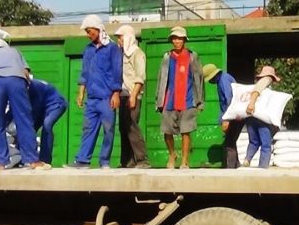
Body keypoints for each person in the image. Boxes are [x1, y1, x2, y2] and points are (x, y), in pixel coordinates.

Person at [0, 42, 49, 171]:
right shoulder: (14, 51)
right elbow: (26, 73)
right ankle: (33, 161)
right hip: (17, 81)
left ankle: (1, 163)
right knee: (24, 121)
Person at [68, 14, 122, 169]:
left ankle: (104, 161)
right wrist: (81, 92)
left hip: (107, 97)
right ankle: (83, 160)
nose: (88, 35)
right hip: (92, 98)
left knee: (108, 129)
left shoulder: (112, 48)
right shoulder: (88, 50)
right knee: (88, 129)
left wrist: (116, 93)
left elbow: (117, 71)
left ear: (98, 29)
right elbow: (85, 72)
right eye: (86, 32)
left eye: (89, 31)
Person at [155, 26, 204, 169]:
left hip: (188, 99)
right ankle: (172, 154)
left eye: (180, 38)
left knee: (186, 131)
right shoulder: (167, 57)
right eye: (174, 38)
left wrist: (199, 101)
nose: (177, 41)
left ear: (184, 40)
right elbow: (161, 79)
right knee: (166, 131)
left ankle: (184, 161)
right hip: (169, 100)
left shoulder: (192, 56)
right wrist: (159, 99)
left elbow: (199, 79)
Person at [114, 24, 150, 168]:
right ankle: (127, 161)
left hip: (132, 95)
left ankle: (142, 160)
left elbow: (140, 77)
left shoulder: (137, 53)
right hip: (123, 95)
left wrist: (133, 96)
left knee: (132, 127)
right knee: (123, 128)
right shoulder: (122, 54)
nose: (119, 41)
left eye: (121, 38)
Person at [202, 63, 243, 168]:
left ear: (213, 76)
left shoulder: (223, 81)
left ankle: (230, 168)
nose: (210, 82)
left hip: (233, 116)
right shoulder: (225, 77)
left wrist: (226, 119)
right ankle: (236, 165)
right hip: (235, 115)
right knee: (231, 141)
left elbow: (229, 100)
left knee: (229, 143)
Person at [20, 77, 68, 165]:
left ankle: (45, 160)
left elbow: (35, 109)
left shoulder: (35, 86)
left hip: (56, 104)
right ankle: (22, 157)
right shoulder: (20, 89)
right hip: (43, 107)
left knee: (47, 124)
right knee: (28, 128)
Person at [243, 65, 280, 169]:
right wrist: (252, 104)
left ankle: (247, 159)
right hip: (261, 118)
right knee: (266, 145)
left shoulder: (254, 84)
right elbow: (257, 91)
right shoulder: (266, 80)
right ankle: (263, 167)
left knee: (254, 142)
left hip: (251, 117)